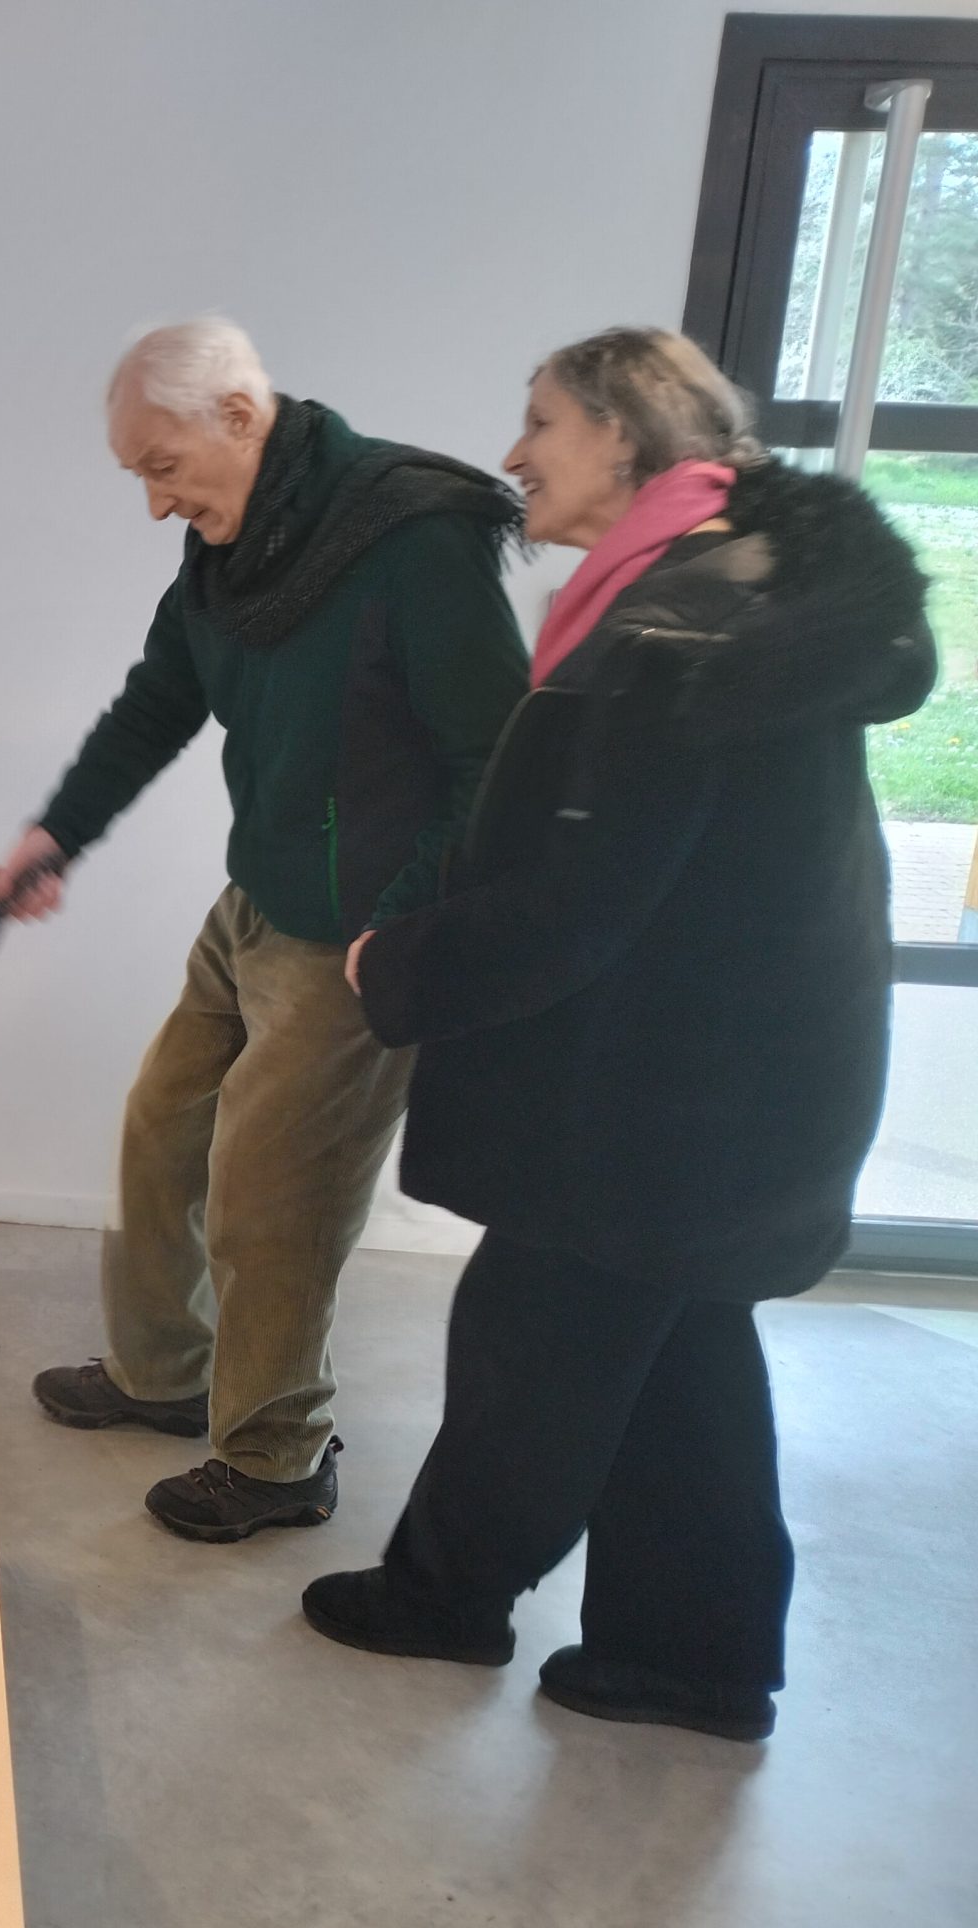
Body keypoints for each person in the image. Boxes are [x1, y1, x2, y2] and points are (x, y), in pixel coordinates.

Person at [301, 328, 936, 1741]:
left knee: (537, 1335)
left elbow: (582, 901)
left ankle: (443, 1600)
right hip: (729, 1086)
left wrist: (392, 961)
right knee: (684, 1359)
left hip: (666, 1103)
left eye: (542, 422)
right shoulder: (721, 591)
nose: (517, 454)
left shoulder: (672, 624)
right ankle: (694, 1658)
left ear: (627, 435)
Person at [7, 318, 529, 1541]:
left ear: (240, 416)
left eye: (161, 464)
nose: (153, 501)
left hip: (357, 933)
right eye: (140, 471)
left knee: (270, 1192)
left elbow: (495, 758)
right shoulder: (231, 550)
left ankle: (280, 1453)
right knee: (162, 1129)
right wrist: (56, 834)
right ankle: (162, 1376)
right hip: (256, 901)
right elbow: (157, 704)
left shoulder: (412, 538)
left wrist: (400, 924)